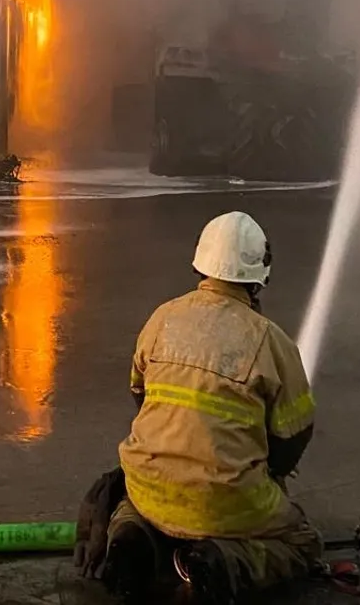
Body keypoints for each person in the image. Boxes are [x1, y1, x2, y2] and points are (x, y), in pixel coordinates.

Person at [74, 211, 320, 605]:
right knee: (302, 541)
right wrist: (262, 470)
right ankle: (224, 562)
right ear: (259, 273)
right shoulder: (272, 342)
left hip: (149, 485)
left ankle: (130, 535)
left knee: (134, 504)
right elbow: (294, 436)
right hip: (227, 501)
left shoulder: (163, 318)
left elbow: (140, 395)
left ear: (201, 262)